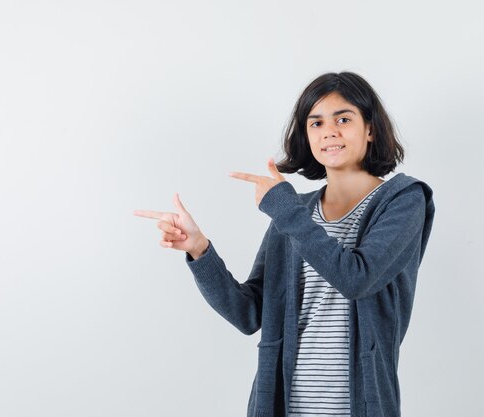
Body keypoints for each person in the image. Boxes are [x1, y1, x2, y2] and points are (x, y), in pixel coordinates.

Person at [134, 72, 435, 417]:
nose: (329, 132)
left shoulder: (403, 199)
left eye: (343, 119)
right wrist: (200, 249)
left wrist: (283, 208)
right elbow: (248, 314)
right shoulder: (297, 211)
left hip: (361, 406)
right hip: (282, 406)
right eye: (316, 123)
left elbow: (357, 279)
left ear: (370, 128)